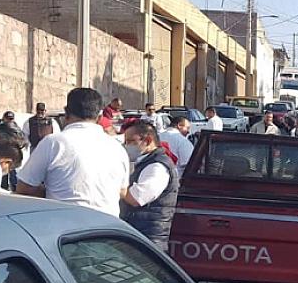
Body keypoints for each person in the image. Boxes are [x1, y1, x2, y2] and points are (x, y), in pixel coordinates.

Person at [16, 88, 131, 217]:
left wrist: (53, 192)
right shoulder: (117, 148)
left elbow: (24, 188)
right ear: (99, 117)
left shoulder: (54, 143)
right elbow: (122, 192)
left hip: (65, 229)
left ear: (66, 114)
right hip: (108, 231)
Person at [121, 121, 180, 250]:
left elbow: (135, 198)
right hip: (139, 236)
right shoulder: (145, 163)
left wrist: (114, 182)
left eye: (131, 141)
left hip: (148, 240)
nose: (126, 146)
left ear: (147, 140)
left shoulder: (157, 167)